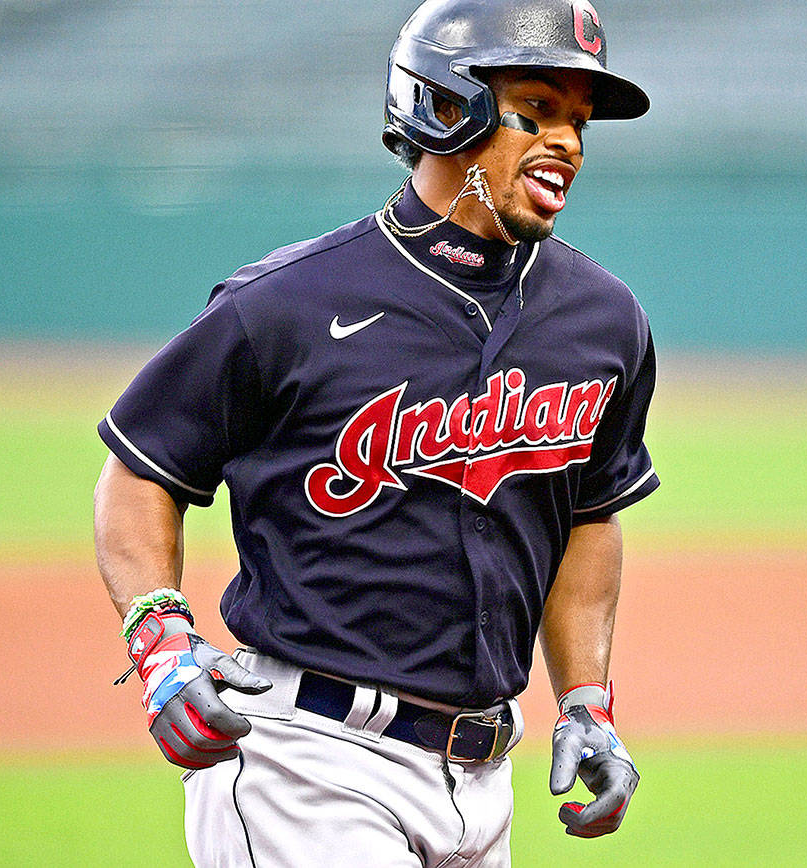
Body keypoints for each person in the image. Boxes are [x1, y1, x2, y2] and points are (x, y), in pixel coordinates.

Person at [94, 0, 658, 864]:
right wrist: (162, 637)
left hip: (483, 784)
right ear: (443, 105)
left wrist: (586, 699)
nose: (570, 142)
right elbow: (141, 473)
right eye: (538, 110)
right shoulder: (285, 304)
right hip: (306, 763)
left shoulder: (603, 319)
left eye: (579, 121)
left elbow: (588, 515)